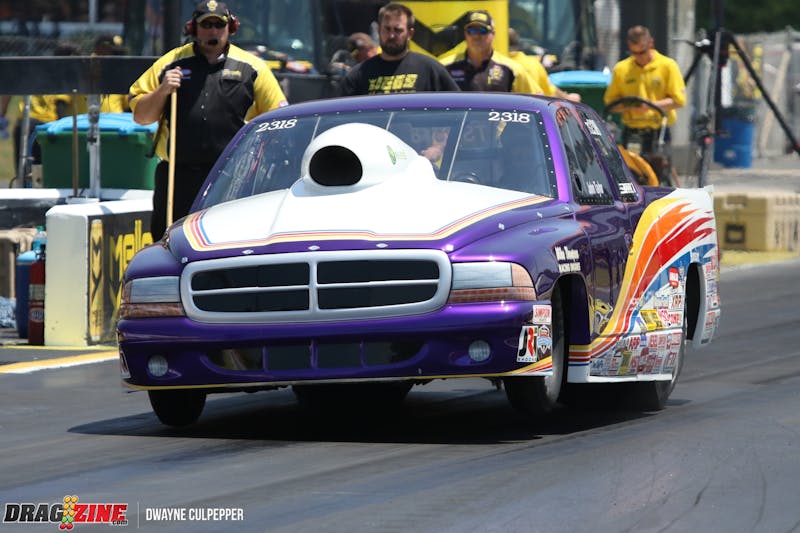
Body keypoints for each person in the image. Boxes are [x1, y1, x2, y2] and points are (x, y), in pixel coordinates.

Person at [129, 0, 288, 239]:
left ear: (230, 28)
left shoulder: (252, 67)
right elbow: (141, 117)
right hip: (177, 176)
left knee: (229, 240)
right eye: (206, 25)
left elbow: (279, 119)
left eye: (219, 25)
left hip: (232, 176)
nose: (213, 31)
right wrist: (162, 90)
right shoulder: (170, 63)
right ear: (193, 29)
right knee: (169, 241)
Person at [0, 42, 85, 184]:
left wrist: (2, 114)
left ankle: (24, 191)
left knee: (23, 172)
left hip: (23, 124)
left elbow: (8, 89)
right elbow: (60, 106)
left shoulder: (37, 69)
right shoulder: (64, 75)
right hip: (46, 126)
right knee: (45, 174)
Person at [338, 3, 459, 96]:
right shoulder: (359, 75)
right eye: (387, 29)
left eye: (398, 30)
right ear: (379, 30)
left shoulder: (430, 70)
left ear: (410, 34)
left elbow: (457, 108)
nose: (391, 36)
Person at [603, 25, 686, 155]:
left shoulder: (667, 66)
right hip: (631, 132)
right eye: (634, 53)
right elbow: (610, 103)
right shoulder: (621, 69)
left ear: (650, 43)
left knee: (659, 167)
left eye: (642, 52)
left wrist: (649, 106)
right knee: (631, 167)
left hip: (658, 131)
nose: (639, 57)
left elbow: (679, 101)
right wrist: (631, 106)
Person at [441, 11, 542, 95]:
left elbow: (536, 99)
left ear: (493, 34)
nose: (476, 36)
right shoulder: (445, 67)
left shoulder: (512, 69)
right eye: (471, 31)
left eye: (482, 30)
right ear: (465, 34)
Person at [507, 28, 580, 102]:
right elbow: (549, 91)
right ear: (518, 42)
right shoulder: (533, 64)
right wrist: (568, 97)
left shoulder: (501, 62)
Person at [93, 34, 131, 113]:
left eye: (118, 55)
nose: (116, 59)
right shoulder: (84, 72)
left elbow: (128, 105)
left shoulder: (120, 78)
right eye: (113, 53)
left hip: (116, 120)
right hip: (86, 120)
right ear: (98, 50)